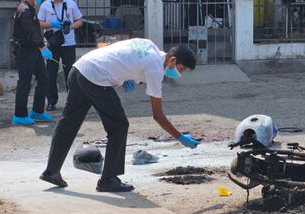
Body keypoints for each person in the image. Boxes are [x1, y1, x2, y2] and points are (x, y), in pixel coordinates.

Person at [40, 38, 201, 192]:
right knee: (119, 126)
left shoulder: (148, 45)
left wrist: (124, 79)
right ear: (172, 61)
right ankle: (108, 179)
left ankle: (51, 171)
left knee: (68, 123)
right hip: (96, 78)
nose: (180, 74)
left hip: (79, 69)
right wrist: (180, 137)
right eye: (181, 69)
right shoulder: (155, 69)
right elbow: (157, 115)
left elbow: (120, 54)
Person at [11, 0, 54, 125]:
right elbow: (30, 32)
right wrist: (43, 46)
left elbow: (35, 31)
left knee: (44, 79)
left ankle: (37, 111)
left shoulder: (30, 8)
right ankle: (19, 115)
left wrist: (40, 46)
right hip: (25, 50)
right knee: (24, 81)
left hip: (33, 49)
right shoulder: (24, 10)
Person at [38, 0, 83, 111]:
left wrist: (70, 27)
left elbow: (80, 21)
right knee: (50, 73)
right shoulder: (46, 5)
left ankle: (72, 101)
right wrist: (51, 24)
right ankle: (51, 102)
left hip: (68, 43)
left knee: (70, 73)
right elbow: (39, 23)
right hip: (52, 43)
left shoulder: (71, 4)